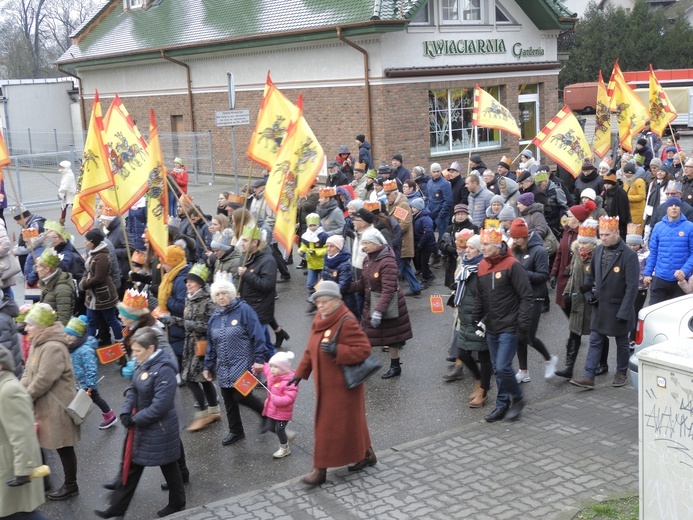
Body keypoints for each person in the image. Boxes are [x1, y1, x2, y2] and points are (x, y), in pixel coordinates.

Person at [290, 280, 375, 486]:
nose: (320, 305)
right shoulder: (320, 318)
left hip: (344, 387)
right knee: (353, 422)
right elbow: (311, 348)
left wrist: (339, 351)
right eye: (318, 301)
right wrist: (300, 373)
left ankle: (320, 469)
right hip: (326, 385)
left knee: (327, 426)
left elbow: (364, 349)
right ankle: (367, 454)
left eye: (325, 301)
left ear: (337, 301)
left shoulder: (346, 320)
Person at [95, 327, 186, 518]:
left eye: (137, 351)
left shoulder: (164, 369)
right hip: (143, 427)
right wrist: (126, 411)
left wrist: (136, 419)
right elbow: (133, 389)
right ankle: (117, 507)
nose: (134, 356)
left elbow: (161, 405)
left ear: (151, 348)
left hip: (159, 428)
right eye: (133, 351)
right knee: (133, 466)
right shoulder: (142, 363)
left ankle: (177, 502)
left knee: (169, 466)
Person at [570, 216, 639, 389]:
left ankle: (621, 372)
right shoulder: (599, 251)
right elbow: (590, 277)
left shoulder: (629, 255)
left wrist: (624, 312)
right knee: (595, 340)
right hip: (600, 307)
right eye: (601, 234)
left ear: (617, 233)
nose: (604, 238)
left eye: (608, 234)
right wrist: (588, 295)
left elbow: (632, 288)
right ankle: (588, 376)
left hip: (619, 307)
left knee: (622, 343)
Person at [20, 303, 81, 501]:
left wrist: (26, 397)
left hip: (57, 406)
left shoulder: (53, 346)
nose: (26, 328)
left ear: (41, 326)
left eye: (30, 324)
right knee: (41, 442)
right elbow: (28, 374)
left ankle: (71, 485)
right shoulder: (40, 342)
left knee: (63, 446)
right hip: (45, 405)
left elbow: (44, 379)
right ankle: (43, 482)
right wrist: (20, 393)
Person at [472, 227, 532, 423]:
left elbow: (526, 296)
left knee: (503, 367)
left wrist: (522, 324)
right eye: (482, 244)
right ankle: (502, 405)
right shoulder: (482, 266)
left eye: (486, 244)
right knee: (499, 369)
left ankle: (519, 399)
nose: (483, 247)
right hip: (492, 326)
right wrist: (476, 316)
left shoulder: (513, 265)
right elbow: (481, 295)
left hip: (509, 325)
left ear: (497, 246)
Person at [203, 277, 267, 446]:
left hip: (244, 363)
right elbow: (211, 343)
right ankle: (236, 431)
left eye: (224, 293)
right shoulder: (214, 317)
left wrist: (260, 359)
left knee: (241, 395)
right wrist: (207, 366)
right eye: (218, 294)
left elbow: (258, 335)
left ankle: (267, 416)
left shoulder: (244, 310)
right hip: (224, 365)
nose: (221, 297)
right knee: (228, 399)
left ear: (231, 294)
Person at [349, 229, 412, 379]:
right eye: (363, 243)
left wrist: (378, 311)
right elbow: (363, 284)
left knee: (392, 339)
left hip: (387, 305)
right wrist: (346, 287)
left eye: (367, 243)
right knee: (365, 336)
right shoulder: (367, 259)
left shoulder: (387, 261)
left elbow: (388, 289)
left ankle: (395, 366)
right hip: (372, 303)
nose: (364, 246)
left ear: (376, 243)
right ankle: (364, 366)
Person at [0, 345, 48, 519]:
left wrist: (22, 470)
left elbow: (22, 435)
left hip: (10, 469)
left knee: (18, 514)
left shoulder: (8, 390)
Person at [508, 218, 557, 382]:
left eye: (517, 238)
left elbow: (543, 276)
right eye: (513, 237)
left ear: (525, 236)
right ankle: (523, 371)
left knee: (527, 336)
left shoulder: (539, 251)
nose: (514, 240)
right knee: (518, 335)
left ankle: (549, 358)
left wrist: (521, 273)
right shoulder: (515, 250)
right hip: (518, 297)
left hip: (535, 297)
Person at [448, 234, 492, 407]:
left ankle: (483, 391)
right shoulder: (466, 266)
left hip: (478, 318)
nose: (467, 250)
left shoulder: (483, 268)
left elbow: (486, 297)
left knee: (483, 354)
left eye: (471, 247)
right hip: (464, 316)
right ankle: (478, 380)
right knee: (462, 353)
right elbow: (462, 287)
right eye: (467, 247)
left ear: (480, 250)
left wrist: (482, 319)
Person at [177, 264, 220, 431]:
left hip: (203, 346)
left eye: (192, 282)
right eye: (187, 281)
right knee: (203, 378)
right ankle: (214, 410)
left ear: (200, 283)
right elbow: (187, 320)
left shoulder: (208, 301)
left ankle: (202, 415)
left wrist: (188, 324)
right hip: (190, 344)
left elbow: (211, 326)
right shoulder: (189, 297)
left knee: (191, 379)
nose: (188, 284)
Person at [64, 315, 118, 429]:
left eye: (70, 335)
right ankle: (75, 416)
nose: (67, 337)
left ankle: (110, 416)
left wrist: (90, 385)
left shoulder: (85, 350)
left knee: (96, 398)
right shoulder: (72, 346)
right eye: (66, 334)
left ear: (78, 336)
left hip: (86, 384)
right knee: (75, 398)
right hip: (77, 381)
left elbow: (91, 368)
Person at [643, 197, 693, 305]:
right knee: (653, 312)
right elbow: (653, 253)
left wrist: (684, 271)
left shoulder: (690, 227)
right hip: (660, 277)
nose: (674, 207)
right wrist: (647, 273)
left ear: (681, 209)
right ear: (666, 209)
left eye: (677, 205)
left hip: (680, 280)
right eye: (671, 205)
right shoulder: (658, 227)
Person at [80, 228, 123, 345]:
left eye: (87, 240)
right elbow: (87, 270)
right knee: (91, 321)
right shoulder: (92, 252)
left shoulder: (102, 257)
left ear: (93, 241)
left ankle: (121, 343)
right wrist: (84, 279)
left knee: (111, 320)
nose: (85, 242)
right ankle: (89, 345)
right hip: (92, 296)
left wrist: (84, 284)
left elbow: (99, 278)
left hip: (104, 296)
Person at [551, 202, 594, 317]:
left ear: (577, 219)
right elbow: (560, 252)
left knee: (572, 303)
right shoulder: (567, 231)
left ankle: (576, 330)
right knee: (562, 303)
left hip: (574, 274)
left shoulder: (584, 235)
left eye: (570, 216)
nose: (567, 218)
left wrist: (570, 268)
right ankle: (574, 328)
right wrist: (554, 272)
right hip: (562, 273)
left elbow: (583, 255)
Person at [257, 351, 299, 459]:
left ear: (284, 369)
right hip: (272, 410)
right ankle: (287, 435)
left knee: (279, 429)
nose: (272, 369)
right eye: (271, 366)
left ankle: (284, 448)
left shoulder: (290, 382)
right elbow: (266, 369)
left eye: (275, 367)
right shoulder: (273, 375)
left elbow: (290, 398)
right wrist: (261, 367)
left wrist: (277, 400)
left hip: (283, 413)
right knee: (271, 426)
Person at [384, 178, 421, 296]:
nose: (387, 197)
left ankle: (392, 291)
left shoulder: (402, 205)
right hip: (396, 242)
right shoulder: (389, 204)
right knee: (404, 267)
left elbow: (403, 225)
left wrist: (390, 233)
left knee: (398, 269)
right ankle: (415, 287)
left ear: (395, 194)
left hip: (402, 243)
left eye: (388, 195)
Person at [156, 245, 191, 367]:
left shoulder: (181, 280)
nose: (163, 266)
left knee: (180, 352)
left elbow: (183, 306)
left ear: (173, 263)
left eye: (165, 263)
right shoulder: (173, 275)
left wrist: (167, 300)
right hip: (175, 325)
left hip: (179, 325)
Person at [438, 204, 478, 288]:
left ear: (467, 215)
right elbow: (440, 243)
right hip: (452, 261)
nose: (460, 216)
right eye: (458, 214)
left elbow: (477, 245)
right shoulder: (450, 228)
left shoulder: (473, 228)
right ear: (454, 216)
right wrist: (449, 248)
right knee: (453, 286)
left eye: (462, 214)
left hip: (467, 262)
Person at [35, 247, 75, 325]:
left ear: (47, 269)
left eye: (39, 267)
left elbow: (63, 319)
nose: (36, 270)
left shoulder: (62, 289)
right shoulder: (48, 282)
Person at [625, 225, 649, 348]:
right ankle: (624, 334)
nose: (632, 247)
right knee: (626, 311)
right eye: (629, 245)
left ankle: (633, 337)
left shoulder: (646, 254)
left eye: (635, 245)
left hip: (640, 288)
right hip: (626, 288)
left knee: (636, 311)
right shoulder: (623, 253)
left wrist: (646, 277)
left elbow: (649, 269)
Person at [298, 213, 328, 301]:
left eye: (314, 225)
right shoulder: (306, 235)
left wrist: (316, 252)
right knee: (310, 283)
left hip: (322, 264)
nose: (312, 227)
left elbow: (326, 250)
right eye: (310, 225)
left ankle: (322, 297)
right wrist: (301, 251)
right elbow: (303, 246)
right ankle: (312, 296)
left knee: (323, 283)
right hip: (311, 263)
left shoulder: (323, 236)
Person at [411, 198, 436, 290]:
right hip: (421, 243)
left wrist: (420, 244)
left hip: (426, 244)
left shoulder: (425, 219)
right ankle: (429, 274)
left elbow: (428, 233)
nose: (412, 209)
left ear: (419, 208)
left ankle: (426, 280)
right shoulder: (417, 216)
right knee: (421, 261)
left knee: (424, 262)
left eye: (414, 207)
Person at [426, 162, 453, 239]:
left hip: (441, 216)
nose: (436, 173)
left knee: (442, 238)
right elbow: (427, 197)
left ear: (441, 171)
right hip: (431, 214)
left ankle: (442, 251)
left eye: (438, 171)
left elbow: (448, 201)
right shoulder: (429, 183)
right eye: (434, 172)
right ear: (431, 172)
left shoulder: (445, 184)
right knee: (430, 236)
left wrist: (441, 215)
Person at [602, 173, 630, 239]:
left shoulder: (621, 193)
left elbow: (624, 211)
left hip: (619, 224)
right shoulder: (605, 192)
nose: (606, 186)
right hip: (606, 222)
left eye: (608, 184)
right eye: (605, 184)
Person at [57, 160, 76, 226]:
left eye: (62, 167)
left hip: (69, 194)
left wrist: (60, 191)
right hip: (67, 194)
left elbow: (65, 186)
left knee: (67, 207)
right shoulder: (67, 174)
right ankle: (62, 222)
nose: (61, 169)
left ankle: (62, 222)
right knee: (64, 207)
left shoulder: (68, 175)